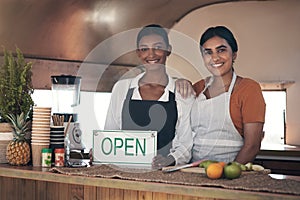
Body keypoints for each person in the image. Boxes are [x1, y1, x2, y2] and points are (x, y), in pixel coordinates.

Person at [104, 24, 193, 169]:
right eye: (144, 49)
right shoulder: (122, 88)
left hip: (164, 176)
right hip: (124, 173)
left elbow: (186, 143)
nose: (151, 55)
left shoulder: (182, 92)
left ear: (168, 50)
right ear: (138, 53)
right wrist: (101, 151)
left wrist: (169, 160)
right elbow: (110, 134)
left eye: (157, 47)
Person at [177, 26, 266, 164]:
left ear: (234, 54)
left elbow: (252, 146)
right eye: (208, 52)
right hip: (193, 170)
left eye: (221, 50)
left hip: (231, 172)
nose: (215, 57)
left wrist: (229, 173)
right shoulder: (197, 87)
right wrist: (180, 82)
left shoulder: (248, 89)